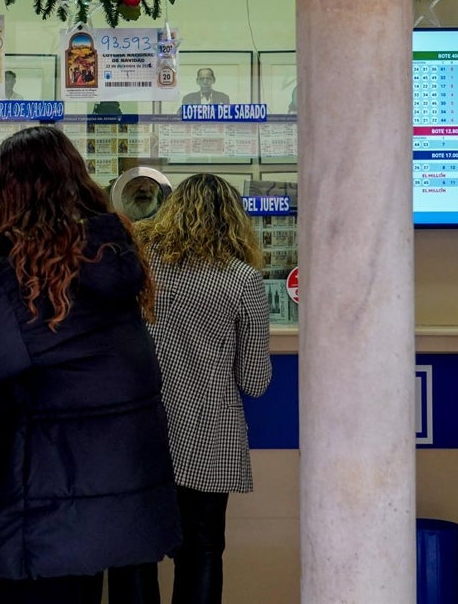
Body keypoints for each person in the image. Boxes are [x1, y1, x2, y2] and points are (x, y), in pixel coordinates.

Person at [0, 126, 181, 604]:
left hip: (32, 522)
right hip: (92, 516)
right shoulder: (107, 262)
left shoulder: (22, 282)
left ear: (9, 195)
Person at [136, 173, 272, 604]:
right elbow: (255, 382)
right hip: (209, 437)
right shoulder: (242, 281)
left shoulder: (143, 266)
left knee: (134, 553)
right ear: (235, 221)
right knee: (202, 549)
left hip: (142, 433)